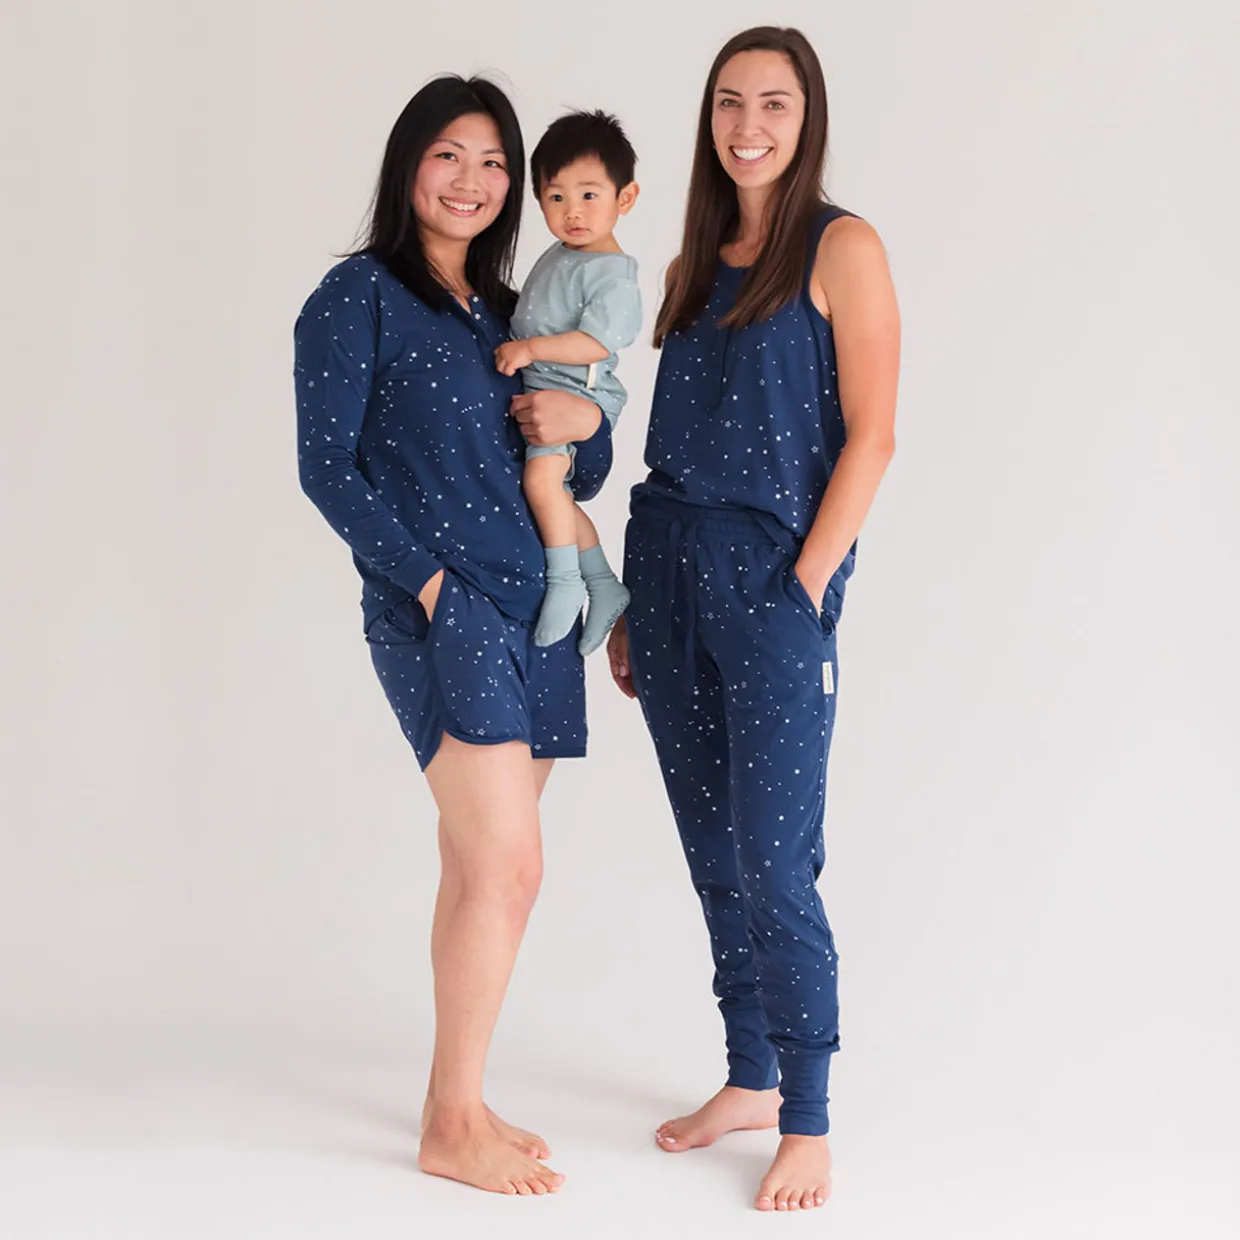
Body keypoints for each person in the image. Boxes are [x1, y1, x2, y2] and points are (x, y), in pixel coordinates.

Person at [294, 75, 613, 1197]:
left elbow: (577, 464)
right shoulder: (358, 296)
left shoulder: (514, 311)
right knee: (508, 864)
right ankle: (449, 1123)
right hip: (448, 607)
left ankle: (458, 1101)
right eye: (448, 155)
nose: (471, 181)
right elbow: (325, 467)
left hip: (542, 607)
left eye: (492, 164)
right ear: (407, 165)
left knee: (480, 865)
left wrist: (586, 415)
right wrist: (428, 585)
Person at [607, 26, 900, 1213]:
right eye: (729, 102)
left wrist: (806, 585)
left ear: (806, 116)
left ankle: (808, 1118)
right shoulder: (692, 261)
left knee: (777, 863)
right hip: (668, 570)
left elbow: (872, 437)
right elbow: (667, 442)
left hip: (771, 581)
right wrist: (634, 603)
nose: (748, 126)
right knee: (713, 853)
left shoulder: (842, 246)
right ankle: (749, 1074)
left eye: (773, 103)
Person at [495, 110, 641, 654]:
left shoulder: (614, 274)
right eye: (556, 197)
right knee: (549, 493)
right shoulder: (565, 254)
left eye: (588, 195)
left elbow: (596, 343)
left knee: (541, 484)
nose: (572, 211)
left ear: (625, 198)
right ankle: (603, 582)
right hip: (545, 386)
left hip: (576, 392)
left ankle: (566, 582)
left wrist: (530, 350)